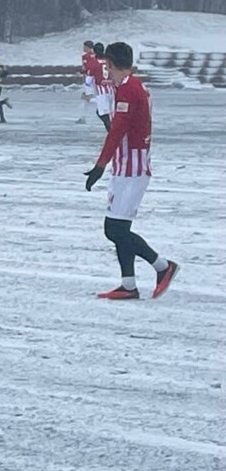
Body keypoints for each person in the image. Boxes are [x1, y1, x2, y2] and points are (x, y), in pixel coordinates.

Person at [84, 41, 179, 300]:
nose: (107, 73)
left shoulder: (127, 89)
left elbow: (117, 130)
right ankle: (128, 284)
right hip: (127, 165)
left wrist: (99, 165)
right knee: (118, 227)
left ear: (111, 64)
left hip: (132, 168)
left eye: (107, 68)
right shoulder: (135, 86)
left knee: (114, 229)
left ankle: (163, 266)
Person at [90, 41, 113, 130]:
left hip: (101, 91)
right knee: (110, 113)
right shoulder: (109, 61)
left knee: (102, 113)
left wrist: (88, 90)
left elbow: (89, 80)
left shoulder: (94, 63)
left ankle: (112, 134)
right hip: (111, 90)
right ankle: (112, 133)